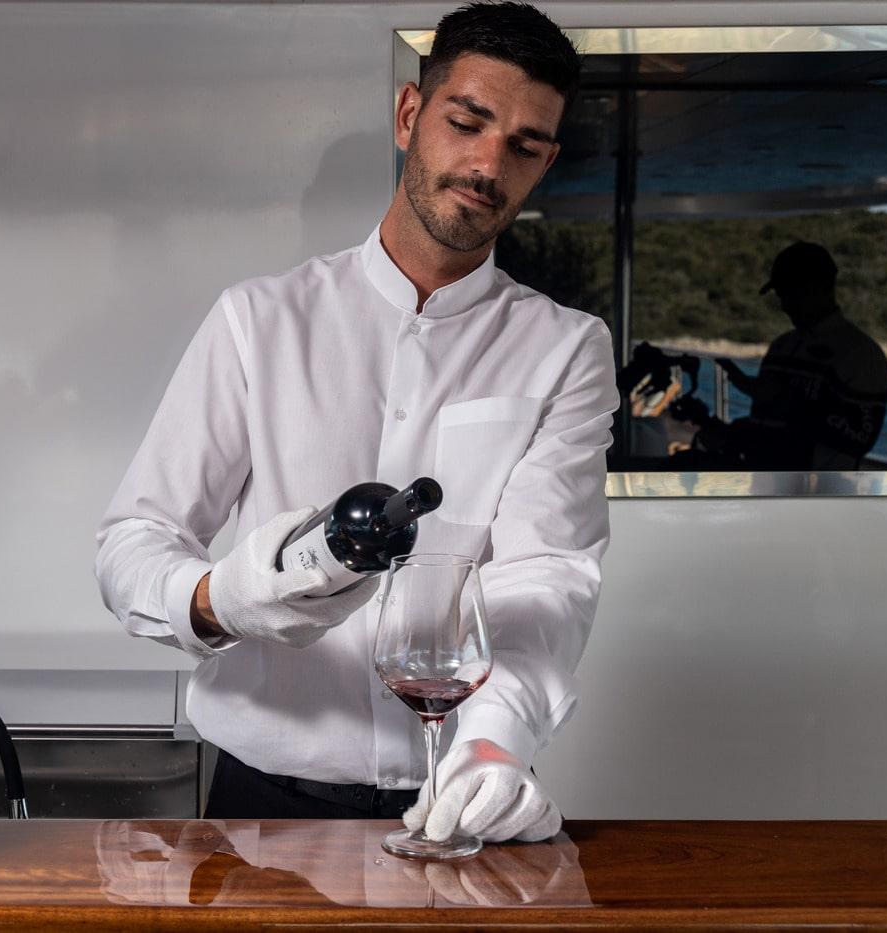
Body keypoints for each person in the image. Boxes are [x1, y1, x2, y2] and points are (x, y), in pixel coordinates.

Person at [95, 1, 618, 844]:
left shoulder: (566, 349)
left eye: (523, 146)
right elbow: (132, 543)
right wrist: (225, 595)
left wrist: (493, 744)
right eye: (467, 121)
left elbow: (548, 575)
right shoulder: (257, 321)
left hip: (452, 797)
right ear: (411, 115)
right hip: (258, 809)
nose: (488, 163)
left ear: (545, 161)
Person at [712, 242, 887, 470]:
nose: (784, 305)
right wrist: (734, 432)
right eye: (781, 295)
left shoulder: (860, 355)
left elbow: (859, 440)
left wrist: (782, 400)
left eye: (791, 294)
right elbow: (771, 424)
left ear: (821, 288)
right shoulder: (781, 346)